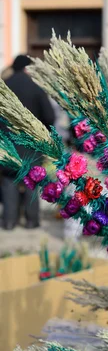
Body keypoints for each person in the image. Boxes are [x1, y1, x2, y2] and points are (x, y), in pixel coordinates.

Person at [0, 55, 55, 230]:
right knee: (32, 181)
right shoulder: (35, 87)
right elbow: (50, 117)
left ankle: (9, 222)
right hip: (31, 146)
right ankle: (32, 221)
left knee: (9, 183)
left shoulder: (3, 87)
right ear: (27, 68)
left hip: (7, 146)